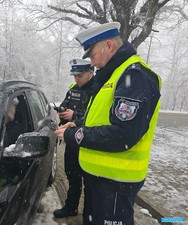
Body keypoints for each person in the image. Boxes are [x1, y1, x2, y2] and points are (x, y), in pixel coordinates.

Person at [54, 22, 162, 225]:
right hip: (101, 179)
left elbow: (123, 135)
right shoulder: (113, 76)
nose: (92, 63)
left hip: (116, 183)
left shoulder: (135, 76)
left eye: (93, 55)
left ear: (109, 46)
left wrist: (74, 135)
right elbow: (101, 118)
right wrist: (77, 125)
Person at [53, 58, 94, 218]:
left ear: (90, 72)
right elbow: (66, 103)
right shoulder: (73, 88)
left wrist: (75, 116)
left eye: (80, 75)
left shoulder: (98, 90)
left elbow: (96, 117)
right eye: (74, 75)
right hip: (72, 141)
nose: (76, 79)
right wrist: (63, 111)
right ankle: (71, 208)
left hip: (89, 142)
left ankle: (89, 216)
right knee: (73, 176)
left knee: (90, 183)